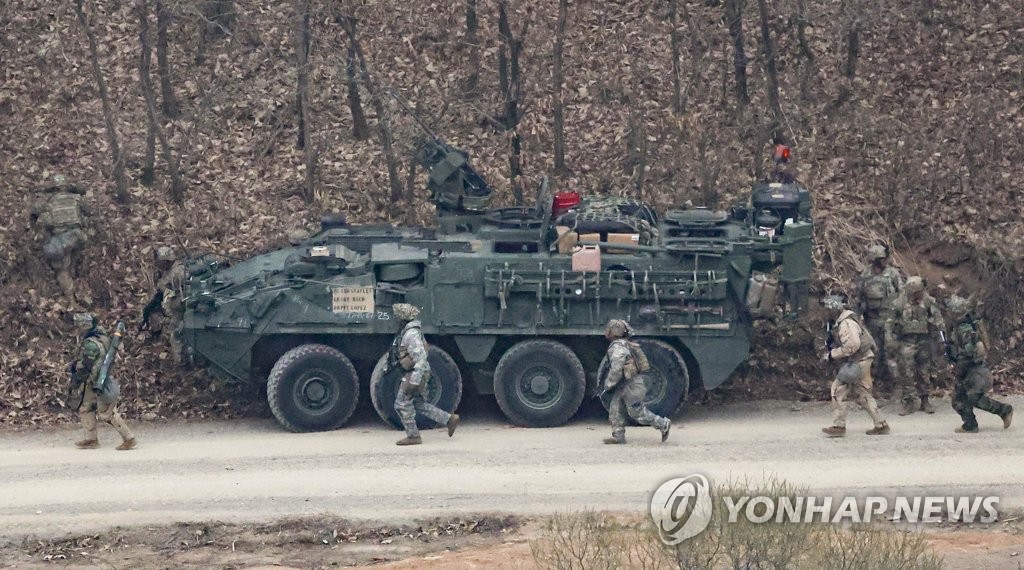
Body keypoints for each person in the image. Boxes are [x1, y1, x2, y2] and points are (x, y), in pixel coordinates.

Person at [388, 303, 459, 446]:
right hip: (416, 372)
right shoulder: (409, 332)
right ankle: (449, 419)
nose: (395, 319)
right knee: (418, 403)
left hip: (416, 373)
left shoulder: (411, 334)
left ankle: (413, 436)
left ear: (403, 319)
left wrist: (414, 381)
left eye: (397, 317)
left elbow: (420, 358)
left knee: (401, 404)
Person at [821, 296, 890, 437]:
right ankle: (881, 423)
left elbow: (852, 346)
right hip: (864, 359)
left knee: (837, 389)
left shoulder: (846, 323)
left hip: (857, 360)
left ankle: (839, 425)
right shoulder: (848, 319)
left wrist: (832, 355)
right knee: (864, 393)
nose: (826, 312)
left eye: (828, 309)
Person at [945, 295, 1013, 433]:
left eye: (951, 311)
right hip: (969, 369)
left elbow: (969, 353)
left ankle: (1004, 410)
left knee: (972, 398)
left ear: (956, 312)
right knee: (959, 399)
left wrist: (959, 369)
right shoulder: (962, 325)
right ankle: (970, 425)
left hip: (973, 370)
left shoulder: (964, 329)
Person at [69, 313, 136, 450]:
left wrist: (75, 369)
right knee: (86, 407)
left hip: (99, 381)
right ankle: (91, 439)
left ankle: (129, 438)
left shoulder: (91, 344)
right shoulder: (102, 337)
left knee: (107, 413)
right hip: (94, 380)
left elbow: (86, 365)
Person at [600, 319, 671, 444]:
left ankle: (663, 423)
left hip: (631, 385)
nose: (606, 332)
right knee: (615, 410)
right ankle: (618, 436)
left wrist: (608, 385)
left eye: (608, 329)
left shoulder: (617, 347)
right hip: (626, 384)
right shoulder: (625, 344)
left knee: (637, 414)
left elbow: (616, 369)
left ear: (614, 332)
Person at [886, 276, 945, 415]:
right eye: (916, 292)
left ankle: (925, 400)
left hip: (924, 340)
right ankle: (908, 401)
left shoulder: (928, 301)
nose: (919, 294)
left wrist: (942, 339)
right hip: (906, 341)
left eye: (920, 291)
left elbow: (939, 320)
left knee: (924, 371)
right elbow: (889, 323)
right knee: (905, 371)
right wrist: (890, 340)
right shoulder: (898, 303)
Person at [29, 174, 89, 300]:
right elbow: (90, 213)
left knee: (62, 271)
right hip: (79, 237)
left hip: (63, 240)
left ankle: (71, 301)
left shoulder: (48, 203)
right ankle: (73, 273)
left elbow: (39, 217)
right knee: (72, 257)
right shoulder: (77, 198)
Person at [854, 244, 904, 384]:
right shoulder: (865, 275)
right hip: (872, 320)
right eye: (882, 259)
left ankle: (895, 383)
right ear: (875, 259)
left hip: (890, 320)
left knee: (891, 351)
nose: (885, 261)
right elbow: (859, 298)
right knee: (874, 352)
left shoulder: (893, 274)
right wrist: (858, 317)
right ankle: (876, 382)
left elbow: (902, 295)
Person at [140, 246, 187, 365]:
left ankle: (181, 362)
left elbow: (175, 290)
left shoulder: (177, 272)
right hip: (178, 307)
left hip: (183, 308)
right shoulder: (170, 270)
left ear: (166, 261)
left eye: (160, 262)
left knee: (176, 335)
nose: (158, 264)